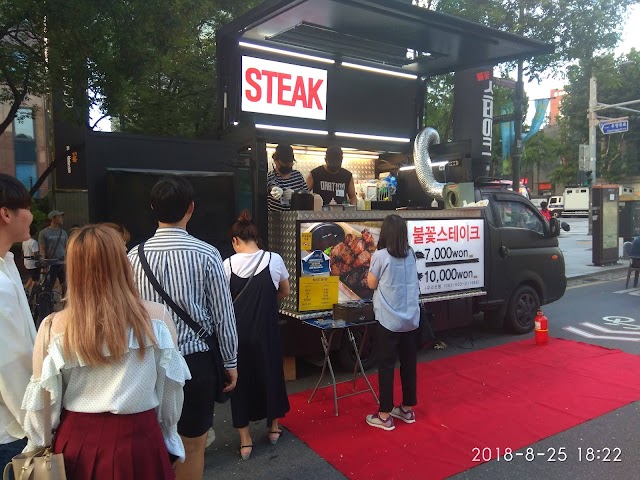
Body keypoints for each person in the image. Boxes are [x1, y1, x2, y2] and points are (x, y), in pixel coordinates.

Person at [21, 224, 190, 479]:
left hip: (75, 446)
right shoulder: (157, 319)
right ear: (123, 264)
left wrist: (36, 445)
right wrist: (169, 438)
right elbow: (170, 392)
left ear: (74, 269)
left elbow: (44, 406)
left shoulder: (52, 327)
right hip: (141, 439)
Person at [128, 175, 238, 480]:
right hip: (196, 364)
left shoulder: (132, 258)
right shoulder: (207, 254)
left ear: (153, 207)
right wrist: (230, 362)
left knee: (153, 445)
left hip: (147, 363)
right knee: (193, 446)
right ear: (191, 207)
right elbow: (223, 315)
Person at [222, 211, 291, 461]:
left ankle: (245, 441)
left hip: (238, 336)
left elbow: (222, 303)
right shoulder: (274, 259)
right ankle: (273, 429)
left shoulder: (227, 265)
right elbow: (284, 290)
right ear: (256, 239)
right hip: (268, 332)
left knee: (239, 384)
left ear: (235, 241)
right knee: (270, 375)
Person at [365, 214, 420, 431]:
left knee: (386, 366)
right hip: (411, 319)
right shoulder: (411, 254)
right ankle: (407, 409)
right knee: (408, 364)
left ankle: (385, 414)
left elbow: (371, 284)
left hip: (388, 319)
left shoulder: (380, 256)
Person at [0, 174, 37, 469]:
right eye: (26, 207)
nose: (31, 215)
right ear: (6, 213)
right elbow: (10, 364)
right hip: (10, 428)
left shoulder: (7, 263)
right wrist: (36, 427)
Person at [267, 144, 308, 211]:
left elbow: (306, 195)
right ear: (275, 160)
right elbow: (270, 185)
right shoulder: (270, 176)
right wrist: (275, 189)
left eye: (290, 164)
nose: (288, 166)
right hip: (276, 219)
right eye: (284, 164)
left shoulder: (298, 176)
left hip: (296, 217)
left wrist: (296, 195)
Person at [38, 210, 68, 294]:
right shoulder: (44, 233)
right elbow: (42, 248)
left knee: (66, 285)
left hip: (63, 262)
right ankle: (48, 302)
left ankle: (65, 302)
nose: (61, 218)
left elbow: (66, 247)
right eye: (59, 217)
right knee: (49, 285)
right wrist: (43, 260)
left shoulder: (64, 233)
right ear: (53, 218)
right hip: (51, 263)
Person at [22, 224, 39, 292]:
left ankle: (25, 289)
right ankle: (33, 292)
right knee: (35, 279)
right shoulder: (33, 242)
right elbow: (35, 253)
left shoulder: (24, 241)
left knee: (32, 277)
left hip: (26, 261)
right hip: (32, 263)